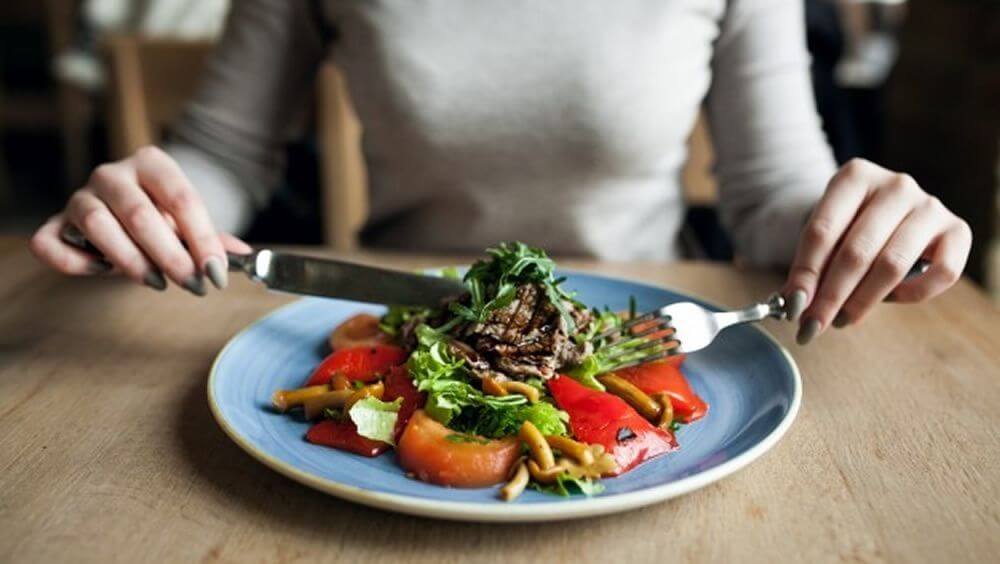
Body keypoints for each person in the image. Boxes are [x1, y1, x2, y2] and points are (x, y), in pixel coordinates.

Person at [29, 0, 971, 346]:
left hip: (643, 330)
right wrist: (153, 202)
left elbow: (774, 199)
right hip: (400, 324)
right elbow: (226, 156)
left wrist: (864, 226)